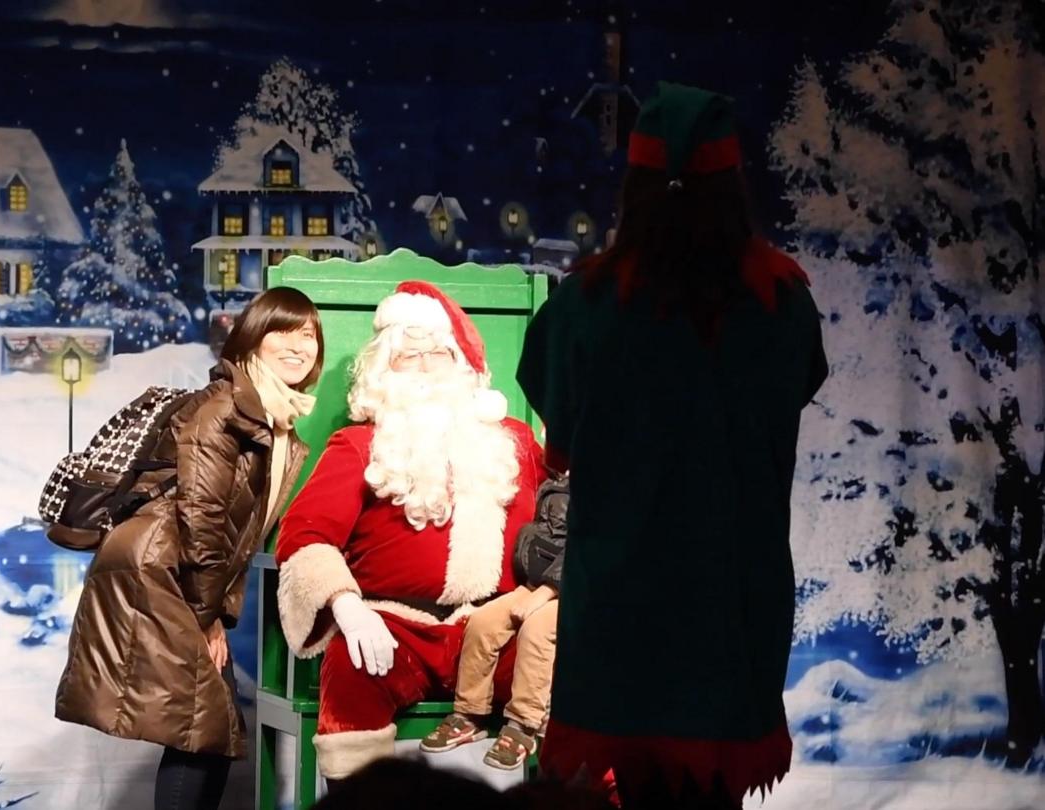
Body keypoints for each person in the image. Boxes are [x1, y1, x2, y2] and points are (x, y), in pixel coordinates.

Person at [517, 82, 829, 809]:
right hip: (730, 591)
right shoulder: (781, 301)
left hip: (623, 593)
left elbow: (558, 431)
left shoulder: (584, 307)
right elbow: (795, 388)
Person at [54, 287, 325, 810]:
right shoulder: (225, 408)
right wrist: (207, 615)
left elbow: (236, 531)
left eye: (309, 335)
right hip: (159, 572)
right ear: (252, 339)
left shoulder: (269, 414)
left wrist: (213, 608)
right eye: (284, 333)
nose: (299, 347)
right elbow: (202, 518)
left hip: (173, 574)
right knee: (200, 731)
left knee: (207, 733)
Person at [274, 280, 547, 783]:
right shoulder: (357, 445)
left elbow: (566, 515)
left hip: (498, 627)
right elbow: (305, 534)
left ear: (462, 366)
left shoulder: (516, 442)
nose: (424, 370)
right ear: (384, 372)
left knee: (577, 677)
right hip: (393, 627)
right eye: (407, 357)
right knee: (351, 672)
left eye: (437, 355)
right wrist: (347, 608)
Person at [420, 472, 569, 770]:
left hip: (572, 590)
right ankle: (470, 712)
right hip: (534, 583)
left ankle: (524, 725)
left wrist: (545, 593)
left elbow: (586, 549)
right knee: (483, 622)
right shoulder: (555, 482)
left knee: (537, 630)